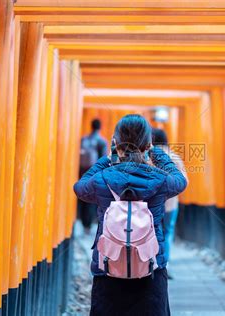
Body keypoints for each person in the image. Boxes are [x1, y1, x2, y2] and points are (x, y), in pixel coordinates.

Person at [74, 114, 187, 316]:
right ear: (147, 145)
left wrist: (107, 158)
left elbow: (80, 187)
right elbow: (180, 180)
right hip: (151, 265)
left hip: (108, 266)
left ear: (116, 142)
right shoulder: (161, 180)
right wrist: (156, 153)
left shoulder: (102, 179)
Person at [152, 128, 187, 272]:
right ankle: (165, 263)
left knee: (153, 232)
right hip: (171, 204)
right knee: (168, 232)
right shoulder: (174, 157)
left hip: (153, 203)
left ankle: (153, 261)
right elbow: (183, 180)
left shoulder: (149, 156)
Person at [78, 119, 108, 234]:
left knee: (82, 197)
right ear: (100, 127)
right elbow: (104, 159)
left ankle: (83, 222)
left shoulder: (84, 139)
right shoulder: (101, 141)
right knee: (92, 198)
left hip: (82, 172)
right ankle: (89, 224)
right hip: (94, 174)